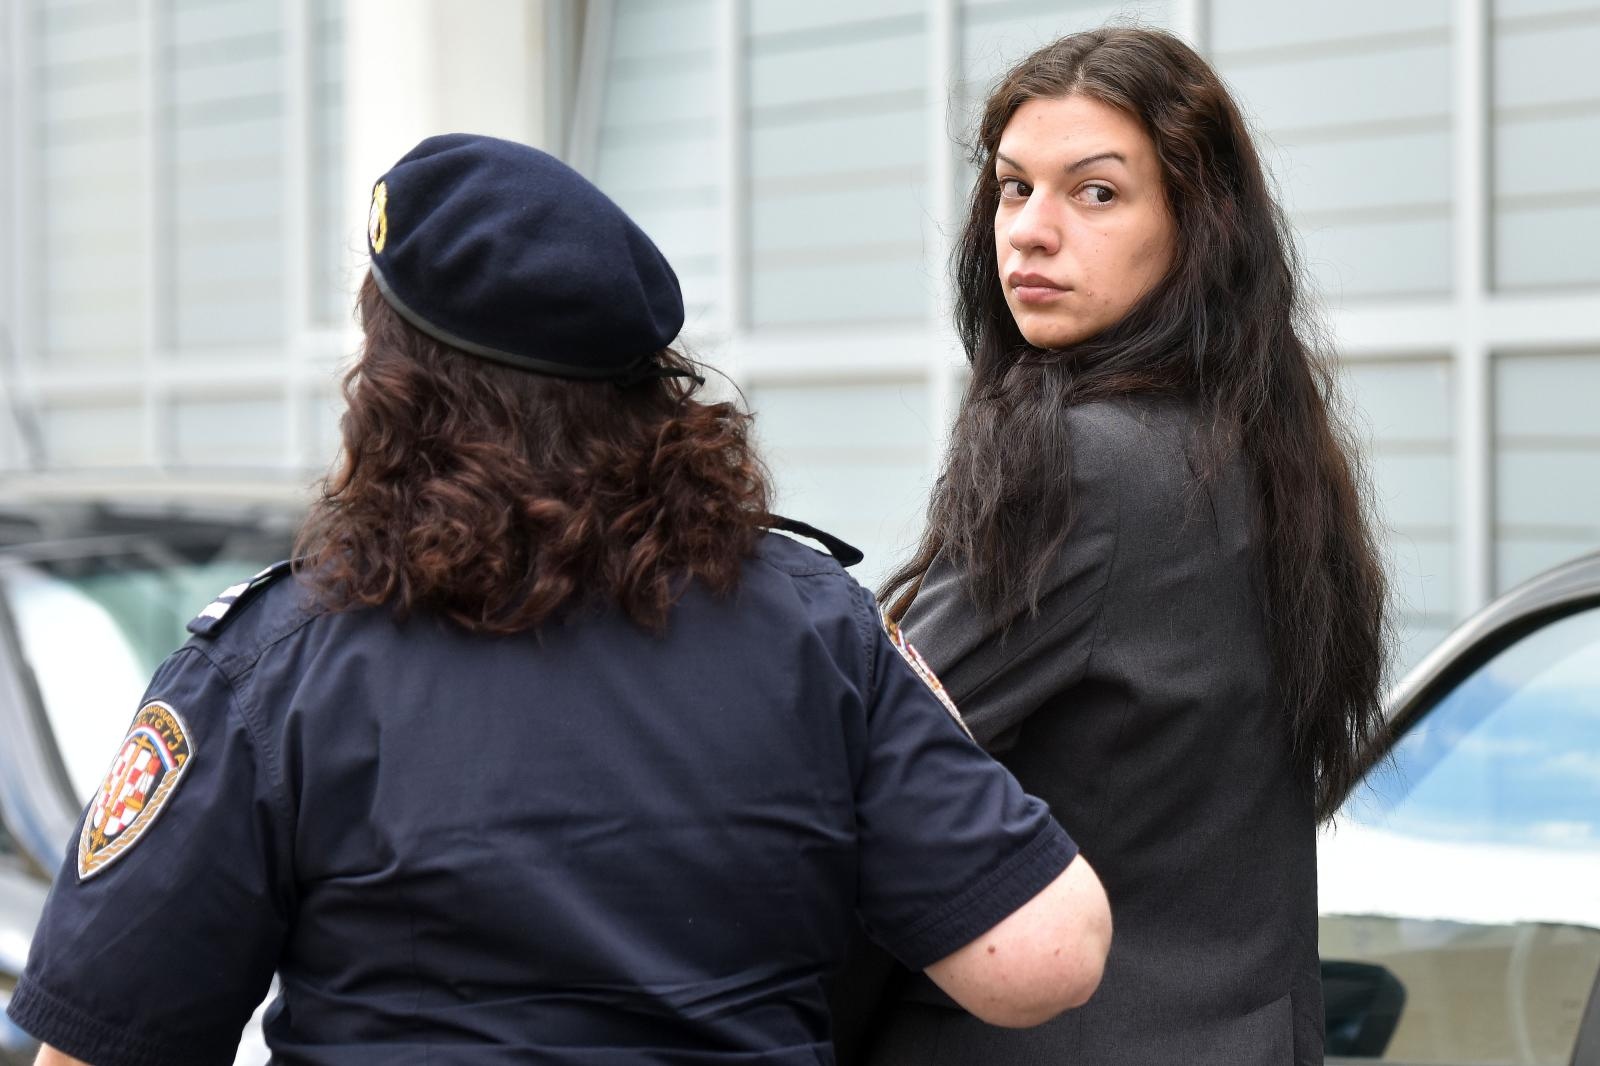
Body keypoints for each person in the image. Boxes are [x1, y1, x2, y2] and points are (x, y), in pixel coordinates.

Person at [7, 134, 1111, 1065]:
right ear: (648, 390)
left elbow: (97, 1046)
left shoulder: (275, 665)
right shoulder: (813, 625)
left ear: (393, 388)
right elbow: (1043, 958)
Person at [848, 27, 1389, 1066]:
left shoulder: (1082, 459)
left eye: (1095, 192)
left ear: (1198, 225)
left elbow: (865, 743)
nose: (1030, 233)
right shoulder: (1259, 450)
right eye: (1014, 188)